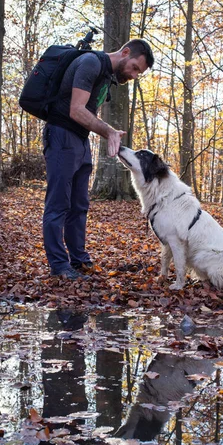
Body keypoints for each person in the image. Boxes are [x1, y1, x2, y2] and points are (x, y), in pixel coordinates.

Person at [43, 38, 154, 280]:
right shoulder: (90, 63)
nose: (135, 75)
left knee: (79, 205)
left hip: (80, 141)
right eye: (135, 67)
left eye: (139, 73)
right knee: (58, 204)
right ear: (125, 52)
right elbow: (76, 109)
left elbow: (87, 115)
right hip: (62, 136)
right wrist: (109, 131)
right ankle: (59, 266)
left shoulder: (106, 75)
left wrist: (101, 133)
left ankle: (79, 260)